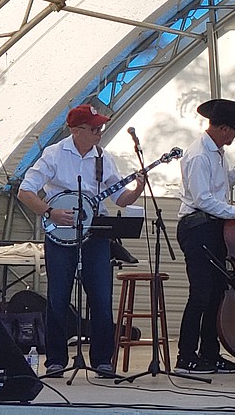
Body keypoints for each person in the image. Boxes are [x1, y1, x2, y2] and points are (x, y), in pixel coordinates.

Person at [17, 104, 146, 377]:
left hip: (96, 232)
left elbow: (119, 198)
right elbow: (25, 191)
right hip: (61, 232)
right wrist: (50, 211)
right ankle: (55, 360)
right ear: (76, 131)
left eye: (101, 128)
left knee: (100, 296)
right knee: (58, 297)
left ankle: (102, 360)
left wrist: (138, 188)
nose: (100, 132)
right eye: (94, 128)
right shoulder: (53, 155)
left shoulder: (103, 158)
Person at [174, 98, 235, 375]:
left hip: (212, 227)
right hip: (197, 227)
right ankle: (186, 356)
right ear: (225, 129)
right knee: (201, 293)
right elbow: (203, 200)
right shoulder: (199, 155)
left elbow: (224, 182)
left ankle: (210, 354)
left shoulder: (215, 153)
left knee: (216, 292)